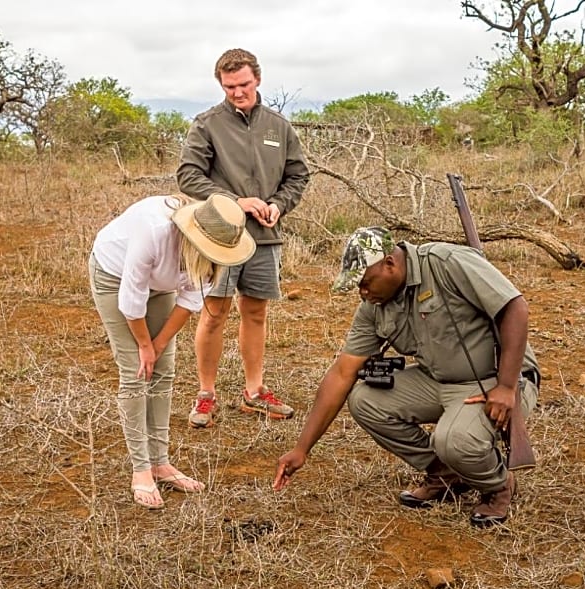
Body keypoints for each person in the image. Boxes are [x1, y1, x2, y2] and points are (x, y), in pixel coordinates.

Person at [273, 227, 540, 528]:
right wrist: (301, 449)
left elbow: (515, 308)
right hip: (436, 379)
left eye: (365, 282)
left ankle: (498, 485)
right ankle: (445, 474)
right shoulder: (374, 306)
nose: (363, 293)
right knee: (365, 400)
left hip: (491, 379)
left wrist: (506, 386)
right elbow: (342, 373)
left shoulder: (445, 261)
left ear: (390, 263)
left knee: (453, 440)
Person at [89, 193, 256, 509]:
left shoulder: (209, 250)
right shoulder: (153, 232)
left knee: (163, 370)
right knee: (136, 372)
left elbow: (190, 300)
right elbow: (131, 299)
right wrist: (143, 345)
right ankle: (141, 470)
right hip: (114, 275)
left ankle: (160, 463)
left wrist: (159, 343)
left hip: (159, 286)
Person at [177, 48, 310, 428]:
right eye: (229, 86)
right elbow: (188, 176)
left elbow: (298, 176)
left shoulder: (278, 126)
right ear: (221, 84)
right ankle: (206, 395)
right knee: (214, 312)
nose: (237, 92)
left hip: (264, 236)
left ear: (258, 80)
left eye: (244, 84)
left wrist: (278, 205)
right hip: (219, 237)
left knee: (255, 312)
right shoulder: (207, 124)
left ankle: (254, 393)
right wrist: (237, 202)